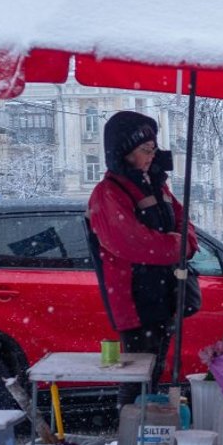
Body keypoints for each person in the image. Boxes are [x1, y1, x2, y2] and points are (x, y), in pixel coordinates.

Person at [88, 110, 198, 408]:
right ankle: (131, 437)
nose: (152, 155)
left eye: (153, 149)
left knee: (154, 369)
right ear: (124, 152)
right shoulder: (109, 193)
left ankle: (146, 433)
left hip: (161, 296)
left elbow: (183, 220)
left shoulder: (156, 185)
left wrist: (183, 241)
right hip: (135, 300)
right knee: (137, 374)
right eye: (145, 150)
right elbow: (131, 242)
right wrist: (177, 246)